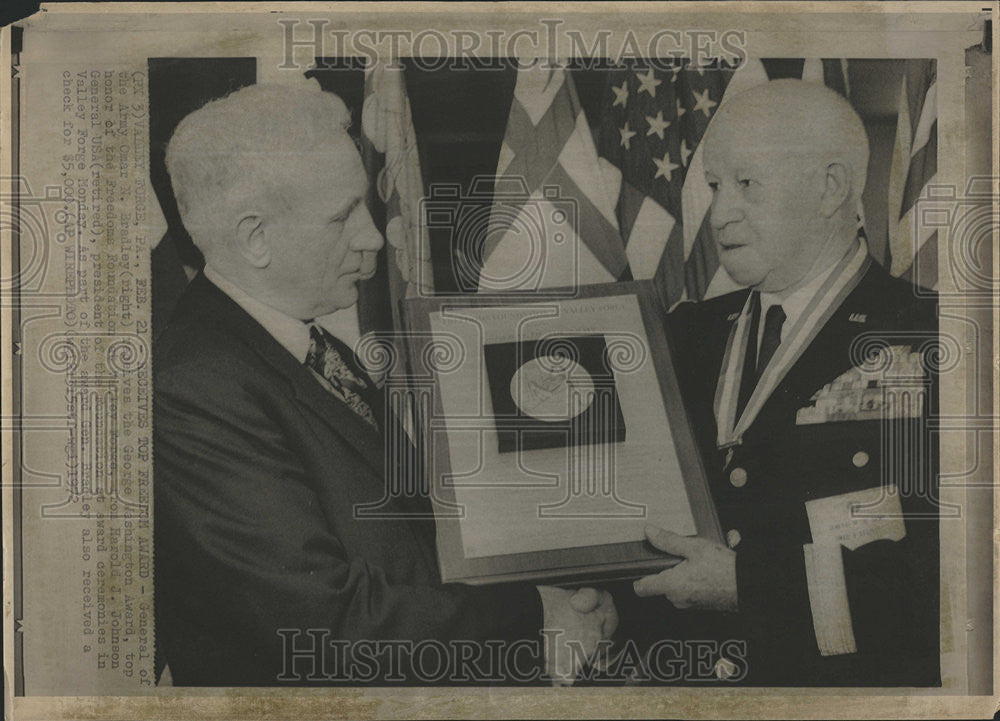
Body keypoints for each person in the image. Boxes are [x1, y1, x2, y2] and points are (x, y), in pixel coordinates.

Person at [153, 83, 617, 687]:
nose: (374, 236)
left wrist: (555, 582)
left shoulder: (301, 344)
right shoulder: (193, 386)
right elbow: (324, 626)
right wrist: (535, 616)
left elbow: (413, 539)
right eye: (343, 215)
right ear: (254, 238)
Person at [634, 79, 940, 686]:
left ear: (829, 188)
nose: (720, 212)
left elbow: (951, 585)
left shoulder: (936, 338)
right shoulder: (683, 337)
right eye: (717, 186)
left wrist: (748, 585)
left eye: (746, 184)